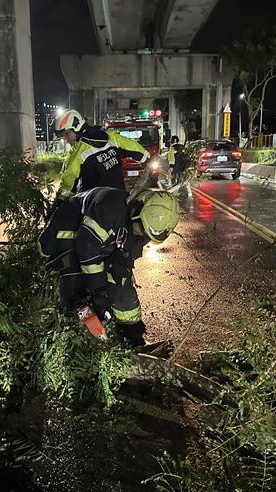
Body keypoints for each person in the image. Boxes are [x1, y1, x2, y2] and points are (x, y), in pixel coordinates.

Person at [39, 186, 180, 347]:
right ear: (136, 211)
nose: (142, 236)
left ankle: (132, 338)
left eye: (147, 236)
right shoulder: (108, 207)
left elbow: (122, 265)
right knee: (76, 290)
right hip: (66, 233)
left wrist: (114, 288)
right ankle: (80, 340)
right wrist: (98, 291)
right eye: (141, 229)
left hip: (99, 242)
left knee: (120, 283)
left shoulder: (143, 225)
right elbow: (87, 250)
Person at [52, 109, 150, 203]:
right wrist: (148, 161)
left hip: (94, 209)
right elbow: (136, 149)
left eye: (66, 134)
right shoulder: (112, 138)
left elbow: (68, 183)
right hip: (120, 202)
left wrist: (59, 203)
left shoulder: (78, 153)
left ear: (76, 127)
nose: (65, 139)